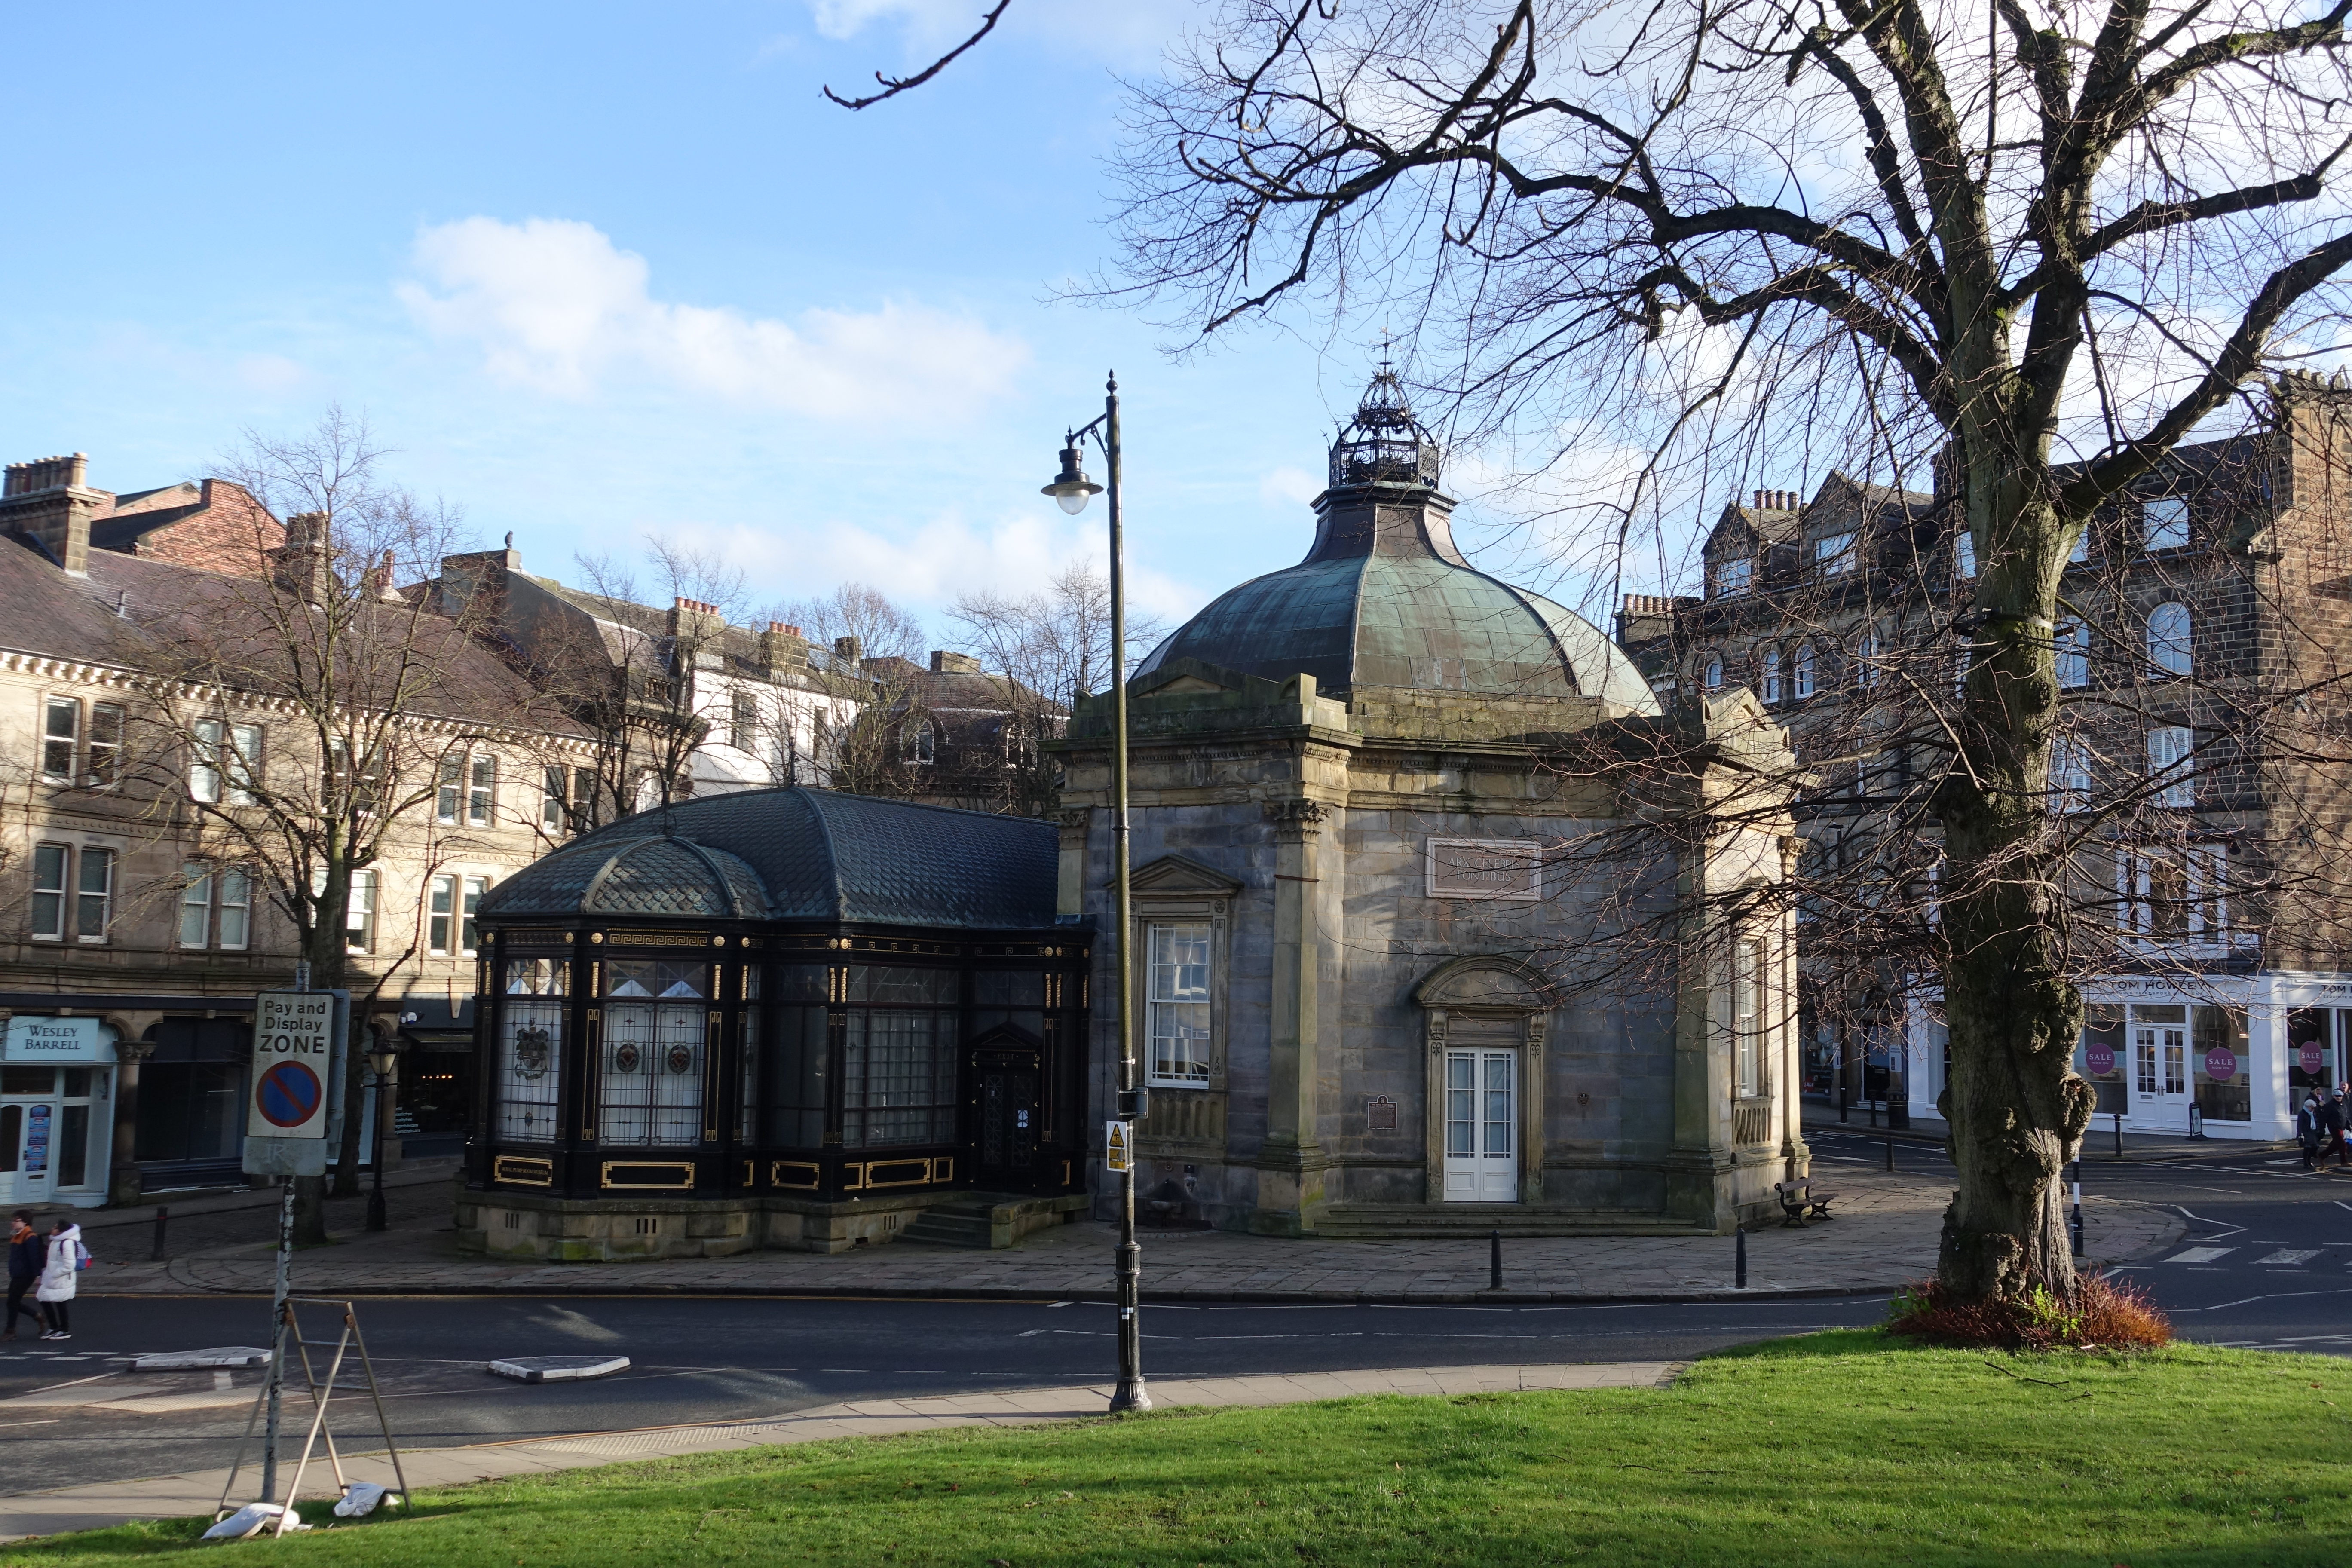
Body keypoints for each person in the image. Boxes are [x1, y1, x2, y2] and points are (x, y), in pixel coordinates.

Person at [34, 1217, 84, 1341]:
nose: (52, 1229)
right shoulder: (55, 1241)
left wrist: (55, 1274)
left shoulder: (66, 1243)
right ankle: (54, 1327)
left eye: (55, 1227)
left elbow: (69, 1265)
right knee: (43, 1299)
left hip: (62, 1279)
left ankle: (65, 1330)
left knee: (61, 1303)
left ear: (61, 1231)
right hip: (52, 1277)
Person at [4, 1212, 42, 1341]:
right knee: (12, 1302)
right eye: (13, 1220)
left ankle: (11, 1331)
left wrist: (38, 1275)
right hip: (18, 1274)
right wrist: (12, 1270)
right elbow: (16, 1257)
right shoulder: (17, 1236)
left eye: (16, 1220)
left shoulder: (30, 1237)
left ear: (25, 1222)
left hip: (26, 1275)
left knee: (12, 1302)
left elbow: (34, 1258)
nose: (13, 1223)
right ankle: (37, 1316)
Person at [2299, 1090, 2324, 1170]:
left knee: (2316, 1146)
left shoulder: (2313, 1114)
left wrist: (2318, 1130)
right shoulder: (2302, 1113)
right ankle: (2306, 1163)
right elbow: (2299, 1125)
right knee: (2307, 1148)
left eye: (2314, 1108)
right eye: (2312, 1108)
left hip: (2312, 1132)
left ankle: (2309, 1161)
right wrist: (2300, 1135)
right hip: (2306, 1133)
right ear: (2307, 1106)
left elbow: (2316, 1122)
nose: (2313, 1109)